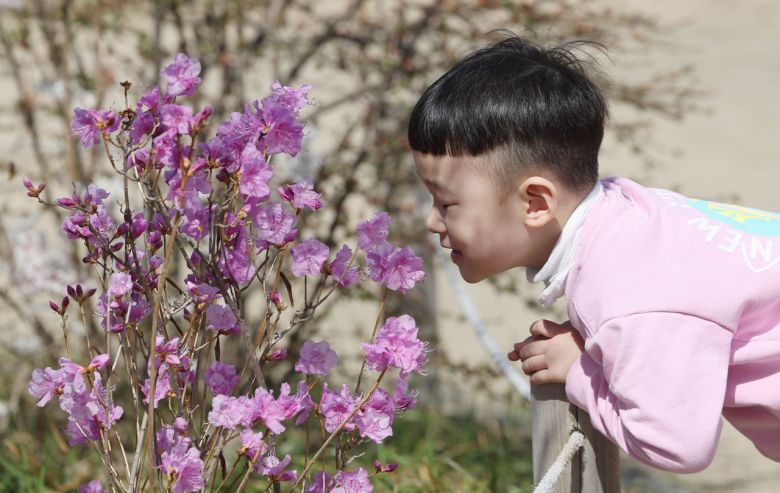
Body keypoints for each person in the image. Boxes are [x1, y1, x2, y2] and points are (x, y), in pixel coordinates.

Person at [408, 35, 780, 473]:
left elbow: (676, 444)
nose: (432, 222)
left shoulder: (628, 292)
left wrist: (581, 371)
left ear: (536, 204)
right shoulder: (632, 215)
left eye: (446, 203)